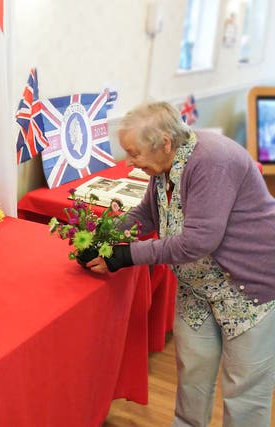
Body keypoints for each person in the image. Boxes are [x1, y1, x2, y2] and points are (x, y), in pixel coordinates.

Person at [87, 102, 275, 426]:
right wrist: (102, 235)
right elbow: (147, 213)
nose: (129, 162)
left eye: (133, 153)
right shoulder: (164, 164)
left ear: (164, 142)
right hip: (197, 286)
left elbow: (198, 242)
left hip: (248, 288)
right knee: (192, 379)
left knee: (243, 392)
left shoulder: (212, 160)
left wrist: (125, 255)